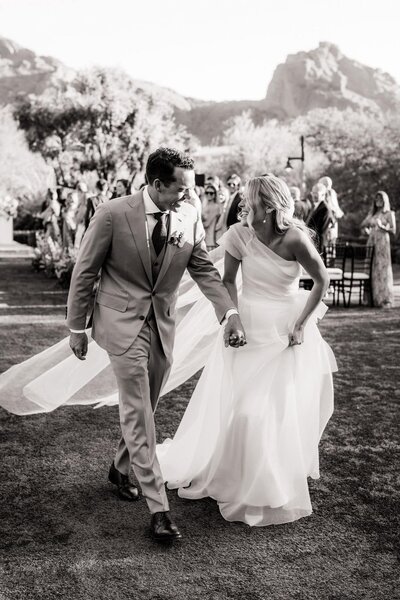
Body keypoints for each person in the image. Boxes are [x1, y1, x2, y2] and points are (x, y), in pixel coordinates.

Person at [67, 147, 246, 542]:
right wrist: (76, 327)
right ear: (156, 184)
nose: (187, 194)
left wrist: (229, 312)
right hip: (119, 324)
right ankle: (159, 508)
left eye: (189, 188)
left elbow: (200, 265)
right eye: (180, 188)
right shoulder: (113, 213)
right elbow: (85, 272)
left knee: (147, 405)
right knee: (136, 411)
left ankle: (119, 466)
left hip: (162, 326)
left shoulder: (188, 214)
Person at [157, 174, 336, 526]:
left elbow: (322, 280)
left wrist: (301, 324)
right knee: (236, 406)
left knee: (268, 410)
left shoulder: (296, 238)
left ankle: (266, 482)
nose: (242, 207)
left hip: (283, 333)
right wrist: (232, 321)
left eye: (249, 202)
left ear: (267, 207)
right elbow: (226, 282)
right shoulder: (239, 235)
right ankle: (231, 473)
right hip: (246, 327)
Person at [361, 191, 396, 308]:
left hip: (382, 243)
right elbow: (363, 225)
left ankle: (383, 298)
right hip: (371, 242)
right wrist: (366, 231)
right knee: (371, 268)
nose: (378, 201)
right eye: (376, 199)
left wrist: (382, 226)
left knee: (382, 269)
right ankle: (370, 298)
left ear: (385, 200)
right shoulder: (372, 214)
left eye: (380, 199)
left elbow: (393, 230)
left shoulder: (389, 213)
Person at [307, 183, 334, 252]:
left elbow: (320, 231)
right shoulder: (315, 206)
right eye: (313, 192)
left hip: (318, 246)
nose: (314, 195)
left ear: (323, 194)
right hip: (312, 244)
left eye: (316, 193)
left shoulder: (325, 209)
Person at [319, 176, 344, 245]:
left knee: (327, 248)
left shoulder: (328, 194)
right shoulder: (331, 194)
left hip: (328, 228)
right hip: (331, 227)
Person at [202, 183, 222, 250]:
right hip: (204, 239)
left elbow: (207, 224)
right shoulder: (205, 205)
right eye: (207, 192)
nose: (209, 195)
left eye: (211, 193)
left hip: (210, 241)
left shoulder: (215, 207)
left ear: (215, 194)